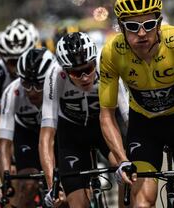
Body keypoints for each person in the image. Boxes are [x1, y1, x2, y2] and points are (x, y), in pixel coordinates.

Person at [99, 0, 174, 207]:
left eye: (148, 25)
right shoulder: (111, 52)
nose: (141, 33)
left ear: (159, 23)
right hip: (145, 126)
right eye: (132, 26)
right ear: (120, 26)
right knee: (142, 202)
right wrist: (122, 160)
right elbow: (107, 114)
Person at [39, 32, 126, 207]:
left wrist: (128, 160)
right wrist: (51, 187)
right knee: (78, 204)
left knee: (125, 170)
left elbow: (126, 114)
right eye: (76, 73)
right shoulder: (54, 75)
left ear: (95, 61)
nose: (84, 77)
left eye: (88, 69)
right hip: (72, 135)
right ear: (65, 70)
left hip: (105, 128)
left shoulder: (105, 64)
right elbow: (46, 136)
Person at [0, 47, 54, 207]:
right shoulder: (12, 93)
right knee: (27, 185)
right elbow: (4, 144)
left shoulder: (60, 86)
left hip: (57, 134)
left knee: (64, 191)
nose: (32, 91)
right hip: (27, 134)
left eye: (38, 84)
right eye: (26, 83)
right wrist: (6, 180)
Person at [0, 25, 36, 150]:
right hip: (19, 127)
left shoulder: (45, 67)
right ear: (3, 58)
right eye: (13, 62)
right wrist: (1, 156)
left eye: (22, 59)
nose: (19, 66)